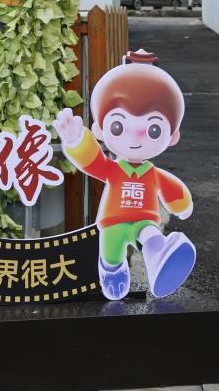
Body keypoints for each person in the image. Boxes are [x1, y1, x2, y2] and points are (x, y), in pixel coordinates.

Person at [52, 49, 195, 300]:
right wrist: (76, 140)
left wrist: (182, 205)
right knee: (111, 252)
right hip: (113, 222)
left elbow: (171, 188)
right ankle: (113, 271)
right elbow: (93, 162)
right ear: (100, 129)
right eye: (118, 126)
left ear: (172, 135)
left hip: (143, 219)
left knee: (151, 235)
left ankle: (160, 259)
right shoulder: (114, 170)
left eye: (153, 129)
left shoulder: (152, 173)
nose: (135, 135)